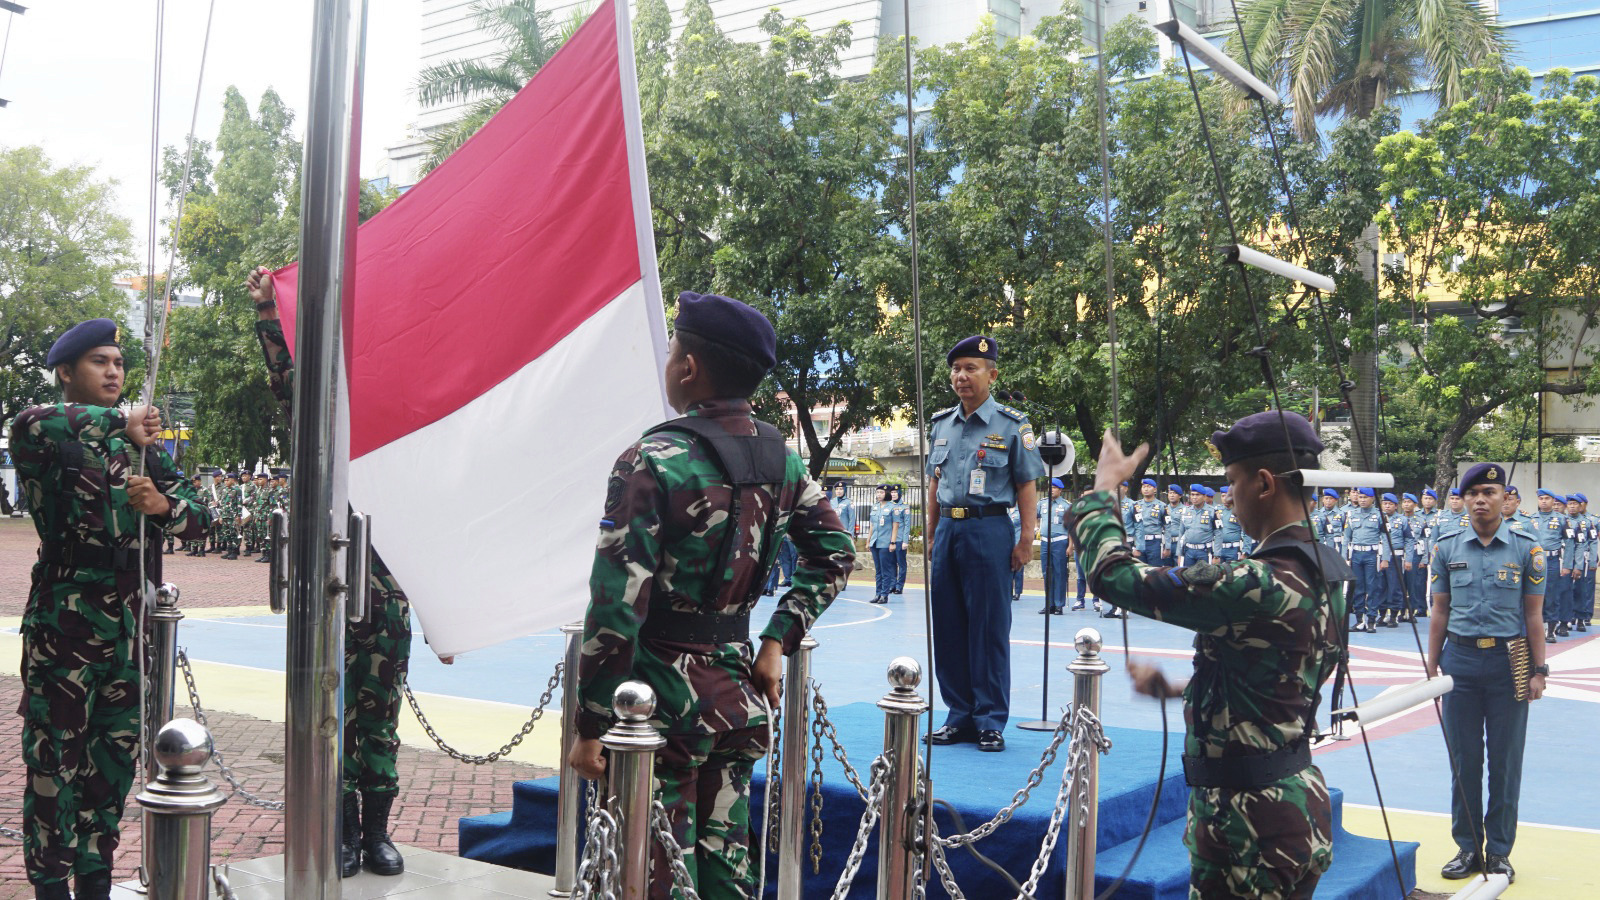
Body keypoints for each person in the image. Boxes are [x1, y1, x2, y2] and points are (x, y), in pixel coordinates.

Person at [567, 292, 853, 900]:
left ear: (689, 368)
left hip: (655, 702)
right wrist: (776, 639)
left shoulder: (653, 458)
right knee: (727, 869)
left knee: (651, 867)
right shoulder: (783, 460)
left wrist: (592, 720)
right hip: (734, 690)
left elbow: (617, 602)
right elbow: (835, 554)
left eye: (672, 349)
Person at [1070, 412, 1349, 899]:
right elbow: (1284, 672)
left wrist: (1102, 495)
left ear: (1263, 484)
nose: (1227, 497)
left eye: (1232, 482)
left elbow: (1114, 577)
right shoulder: (1326, 571)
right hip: (1298, 805)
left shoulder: (1256, 581)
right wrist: (1188, 688)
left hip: (1248, 827)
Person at [11, 318, 212, 900]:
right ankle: (51, 885)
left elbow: (201, 518)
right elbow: (33, 422)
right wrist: (121, 422)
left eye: (119, 364)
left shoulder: (141, 446)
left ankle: (95, 881)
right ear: (67, 372)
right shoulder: (44, 430)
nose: (114, 372)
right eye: (100, 362)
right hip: (65, 631)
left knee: (112, 765)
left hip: (130, 634)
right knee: (55, 765)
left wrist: (163, 503)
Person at [248, 267, 414, 877]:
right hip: (331, 593)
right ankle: (341, 831)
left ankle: (376, 835)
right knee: (330, 716)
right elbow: (288, 380)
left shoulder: (407, 432)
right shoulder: (323, 426)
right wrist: (270, 315)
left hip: (388, 596)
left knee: (380, 722)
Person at [923, 335, 1044, 752]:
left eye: (971, 368)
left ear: (992, 374)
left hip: (989, 530)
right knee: (949, 626)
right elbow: (934, 483)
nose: (961, 376)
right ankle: (959, 716)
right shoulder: (940, 424)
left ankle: (990, 719)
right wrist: (931, 534)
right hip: (948, 533)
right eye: (956, 369)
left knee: (989, 627)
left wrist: (1027, 539)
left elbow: (1027, 483)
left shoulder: (1012, 425)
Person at [1429, 463, 1546, 884]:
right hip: (1458, 660)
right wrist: (1431, 666)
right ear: (1462, 499)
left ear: (1504, 498)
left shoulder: (1527, 548)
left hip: (1511, 659)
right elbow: (1439, 609)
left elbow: (1534, 615)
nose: (1481, 499)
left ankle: (1498, 852)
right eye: (1473, 492)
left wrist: (1538, 669)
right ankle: (1467, 848)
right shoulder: (1445, 546)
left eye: (1490, 492)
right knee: (1464, 760)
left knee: (1505, 760)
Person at [1343, 487, 1390, 634]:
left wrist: (1385, 559)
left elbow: (1386, 539)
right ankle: (1359, 621)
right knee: (1357, 588)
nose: (1362, 500)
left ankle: (1371, 620)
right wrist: (1344, 558)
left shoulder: (1380, 515)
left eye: (1365, 497)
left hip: (1372, 555)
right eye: (1360, 497)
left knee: (1372, 588)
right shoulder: (1351, 514)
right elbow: (1346, 538)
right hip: (1356, 554)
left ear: (1372, 499)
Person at [1533, 489, 1569, 644]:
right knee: (1533, 594)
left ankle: (1551, 630)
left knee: (1552, 595)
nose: (1543, 501)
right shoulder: (1530, 518)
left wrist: (1567, 565)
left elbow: (1570, 543)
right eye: (1541, 498)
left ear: (1553, 500)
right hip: (1533, 561)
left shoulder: (1562, 519)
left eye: (1547, 498)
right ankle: (1536, 628)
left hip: (1553, 560)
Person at [868, 484, 898, 604]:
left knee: (885, 570)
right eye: (877, 492)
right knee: (878, 570)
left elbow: (895, 526)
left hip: (886, 542)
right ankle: (877, 593)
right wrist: (869, 539)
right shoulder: (875, 507)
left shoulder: (893, 507)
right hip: (875, 541)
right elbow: (872, 525)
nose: (879, 494)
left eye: (881, 492)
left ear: (887, 494)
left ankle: (884, 595)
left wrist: (893, 542)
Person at [1177, 484, 1218, 567]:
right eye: (1192, 494)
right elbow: (1181, 533)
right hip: (1188, 551)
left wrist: (1217, 555)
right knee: (1187, 577)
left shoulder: (1213, 512)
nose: (1194, 497)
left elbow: (1218, 534)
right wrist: (1179, 554)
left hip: (1204, 552)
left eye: (1197, 495)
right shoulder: (1185, 511)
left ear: (1204, 496)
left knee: (1205, 578)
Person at [890, 485, 911, 594]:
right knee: (892, 563)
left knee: (901, 564)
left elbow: (907, 525)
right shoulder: (888, 505)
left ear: (899, 493)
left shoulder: (905, 507)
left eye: (895, 492)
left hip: (900, 539)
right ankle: (892, 585)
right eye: (892, 492)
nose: (893, 494)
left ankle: (899, 586)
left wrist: (905, 541)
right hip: (890, 540)